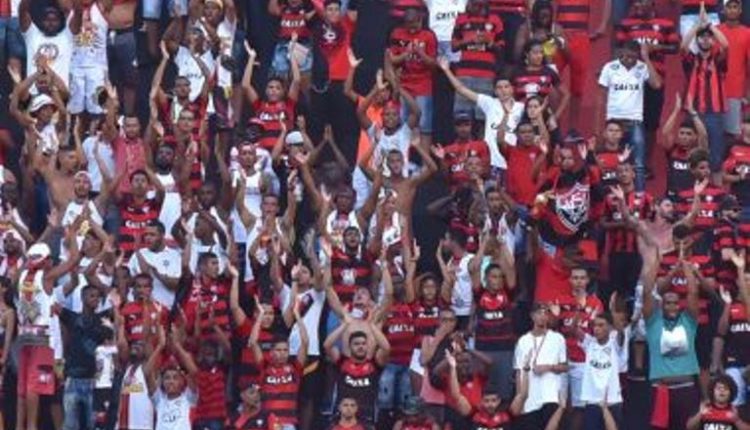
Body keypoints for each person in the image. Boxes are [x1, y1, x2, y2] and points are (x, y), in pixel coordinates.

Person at [597, 41, 662, 191]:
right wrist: (598, 127)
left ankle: (638, 198)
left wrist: (646, 57)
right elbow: (600, 97)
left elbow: (657, 84)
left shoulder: (642, 67)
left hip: (635, 121)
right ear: (621, 53)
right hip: (613, 121)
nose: (629, 60)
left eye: (633, 57)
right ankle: (610, 195)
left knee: (638, 164)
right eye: (625, 56)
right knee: (612, 162)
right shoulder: (609, 68)